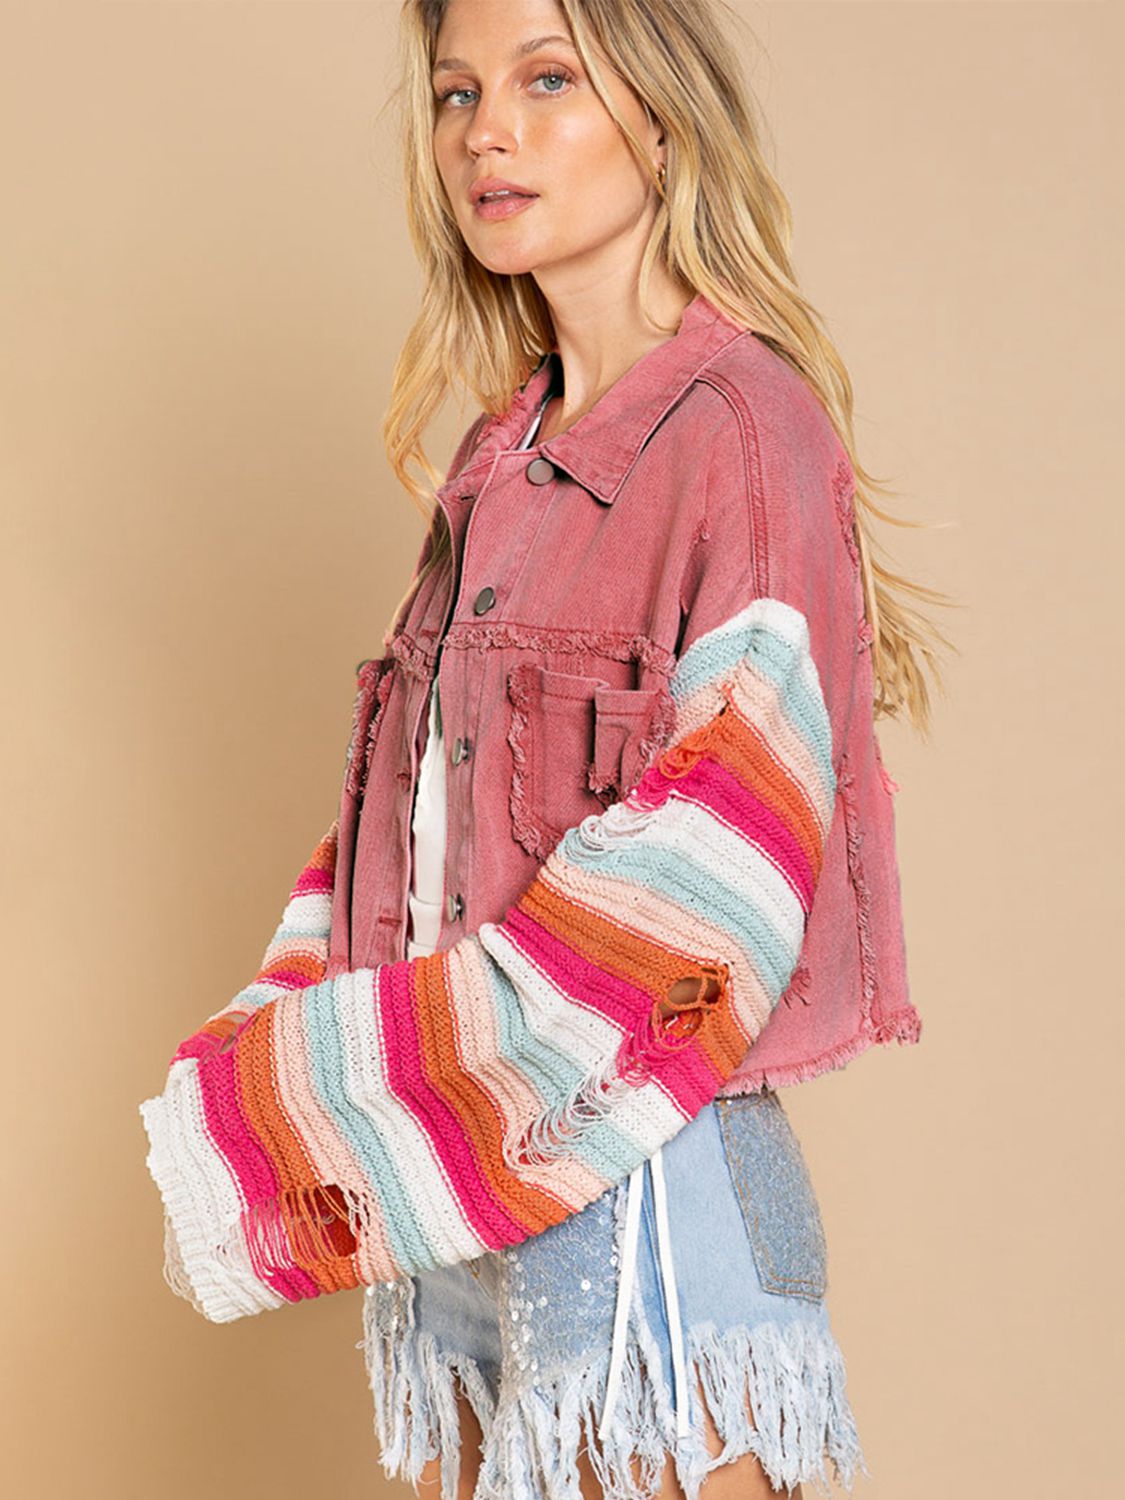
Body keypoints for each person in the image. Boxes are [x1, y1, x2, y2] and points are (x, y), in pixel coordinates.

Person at [139, 3, 952, 1498]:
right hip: (459, 1179)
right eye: (457, 93)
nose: (486, 133)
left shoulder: (741, 427)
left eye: (547, 79)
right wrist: (282, 1053)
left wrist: (367, 1069)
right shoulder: (495, 459)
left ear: (662, 115)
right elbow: (404, 828)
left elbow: (722, 858)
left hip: (638, 1182)